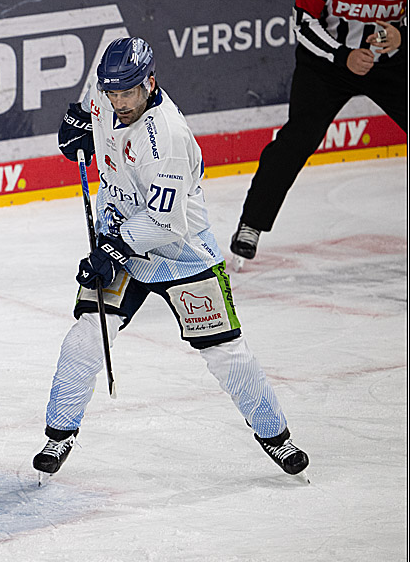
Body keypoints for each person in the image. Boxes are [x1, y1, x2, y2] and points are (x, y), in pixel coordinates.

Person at [36, 37, 310, 479]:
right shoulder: (106, 94)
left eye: (127, 92)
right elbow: (86, 120)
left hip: (182, 253)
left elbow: (166, 223)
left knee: (226, 353)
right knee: (86, 334)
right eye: (111, 93)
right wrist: (74, 128)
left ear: (150, 83)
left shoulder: (167, 137)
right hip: (121, 238)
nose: (118, 101)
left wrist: (111, 248)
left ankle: (276, 437)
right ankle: (58, 432)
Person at [230, 0, 407, 262]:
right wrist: (342, 55)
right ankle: (251, 224)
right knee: (297, 139)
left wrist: (401, 37)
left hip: (393, 64)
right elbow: (303, 22)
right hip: (326, 66)